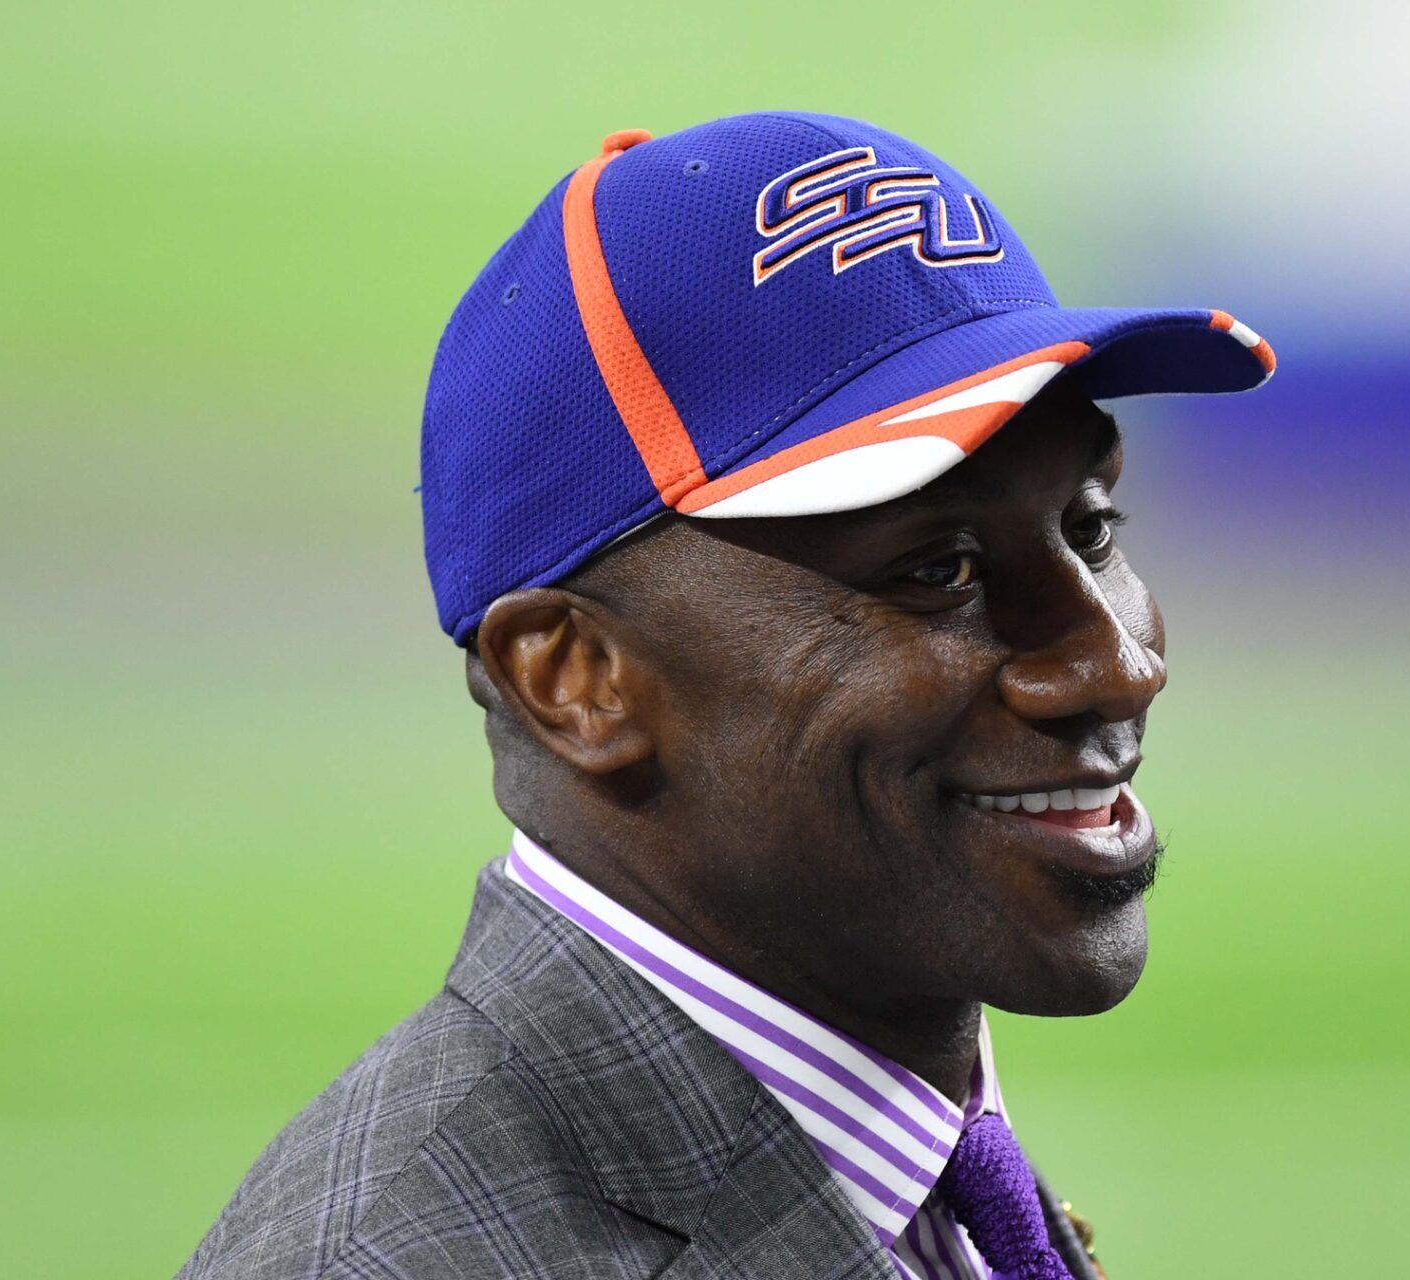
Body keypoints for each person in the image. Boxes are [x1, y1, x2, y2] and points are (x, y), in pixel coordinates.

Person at [178, 110, 1274, 1280]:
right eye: (938, 570)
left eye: (1090, 526)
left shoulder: (906, 1163)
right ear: (574, 679)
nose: (1116, 664)